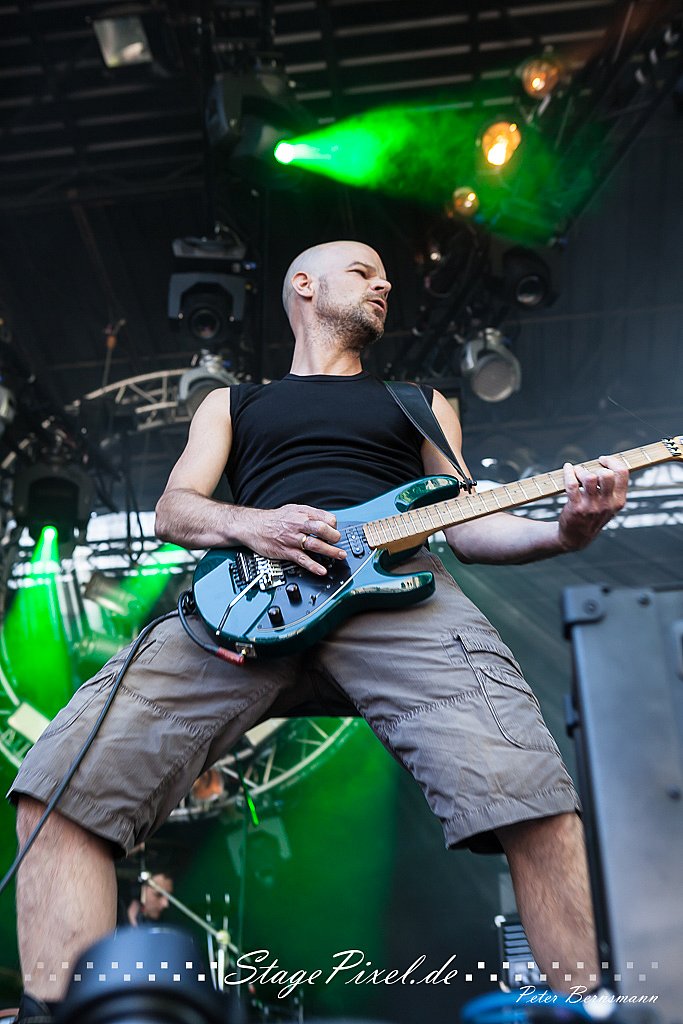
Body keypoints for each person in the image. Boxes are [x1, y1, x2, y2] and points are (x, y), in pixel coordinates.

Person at [8, 240, 629, 1022]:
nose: (384, 285)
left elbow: (469, 529)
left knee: (530, 795)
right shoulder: (232, 403)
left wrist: (565, 532)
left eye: (386, 277)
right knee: (57, 795)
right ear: (303, 284)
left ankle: (593, 1011)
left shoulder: (420, 402)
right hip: (246, 605)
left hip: (400, 601)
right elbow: (175, 510)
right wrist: (254, 525)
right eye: (365, 272)